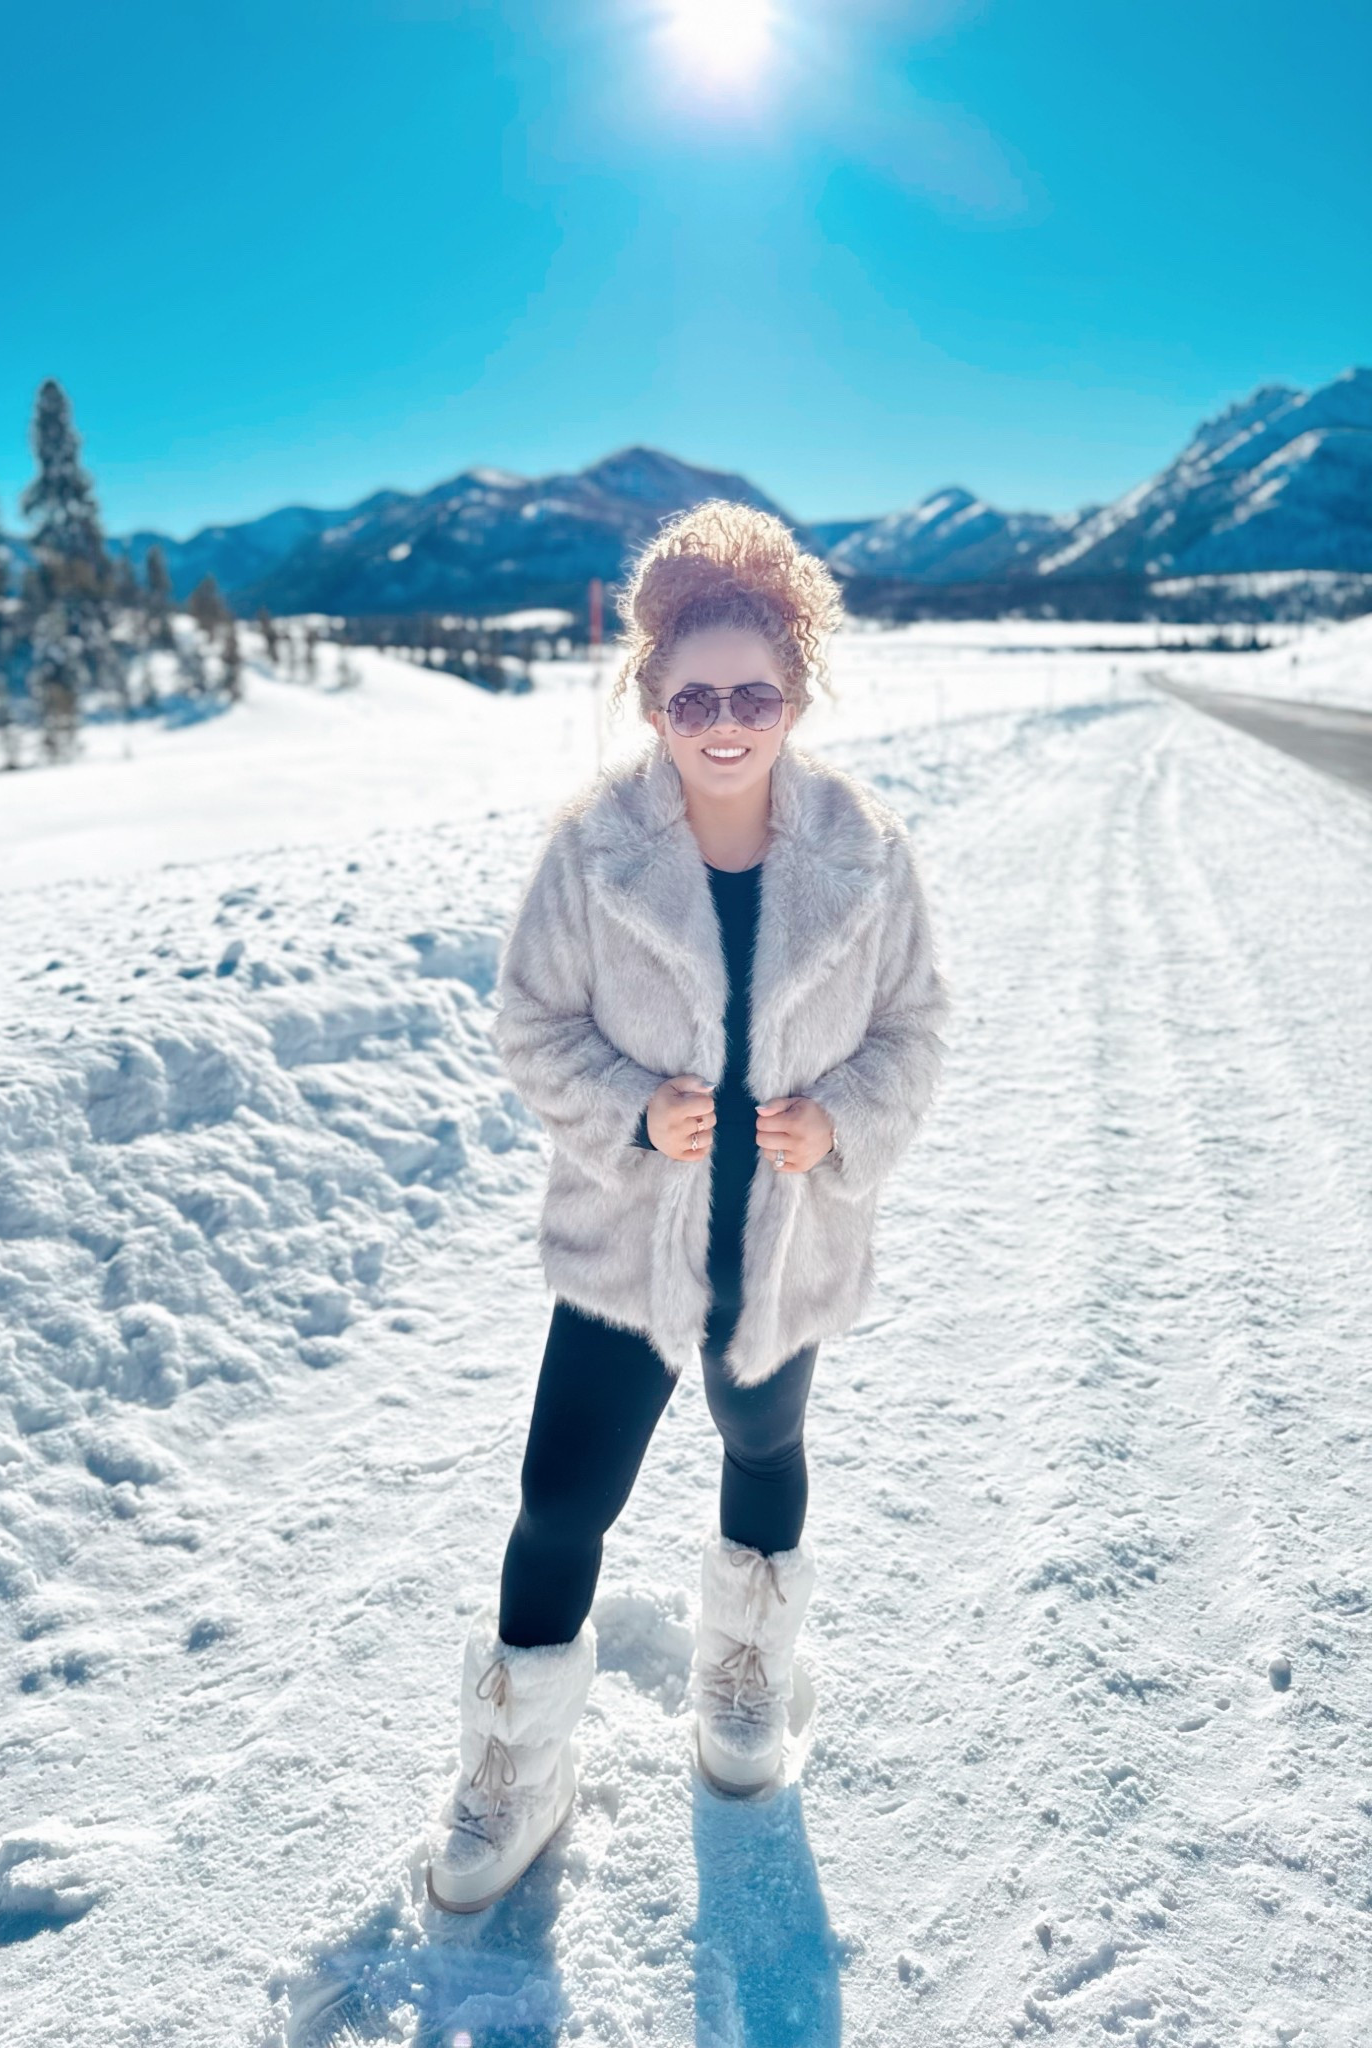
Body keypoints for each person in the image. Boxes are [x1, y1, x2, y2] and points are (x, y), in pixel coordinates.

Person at [425, 500, 951, 1913]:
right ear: (651, 696)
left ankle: (746, 1664)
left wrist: (840, 1122)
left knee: (762, 1450)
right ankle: (518, 1767)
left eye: (756, 694)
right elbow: (531, 1026)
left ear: (798, 694)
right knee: (560, 1500)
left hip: (781, 1245)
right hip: (623, 1247)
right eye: (696, 695)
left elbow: (916, 1029)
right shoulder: (592, 853)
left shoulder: (867, 853)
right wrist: (629, 1110)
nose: (727, 721)